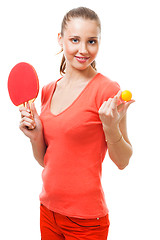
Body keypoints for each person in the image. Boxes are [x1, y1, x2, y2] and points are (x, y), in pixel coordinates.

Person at [19, 7, 134, 240]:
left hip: (87, 221)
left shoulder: (108, 91)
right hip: (48, 212)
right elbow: (47, 161)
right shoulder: (48, 91)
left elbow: (123, 161)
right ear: (60, 40)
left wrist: (111, 128)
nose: (83, 50)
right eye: (74, 39)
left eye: (91, 41)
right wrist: (36, 137)